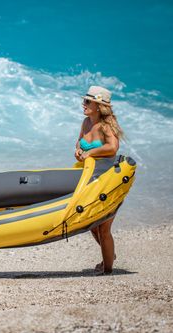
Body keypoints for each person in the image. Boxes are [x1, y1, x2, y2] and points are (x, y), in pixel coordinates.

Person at [74, 86, 124, 275]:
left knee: (103, 227)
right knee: (92, 225)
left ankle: (108, 269)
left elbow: (112, 148)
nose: (83, 104)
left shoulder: (106, 126)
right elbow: (79, 142)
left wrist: (91, 152)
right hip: (90, 180)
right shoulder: (86, 122)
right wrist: (78, 150)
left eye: (87, 102)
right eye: (84, 101)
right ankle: (109, 256)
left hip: (108, 181)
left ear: (98, 105)